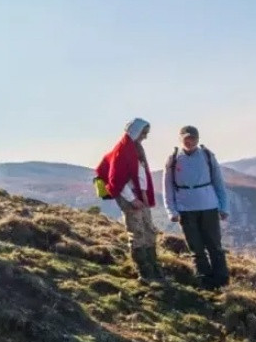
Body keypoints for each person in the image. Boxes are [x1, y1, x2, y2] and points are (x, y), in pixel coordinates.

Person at [94, 118, 161, 281]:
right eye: (144, 133)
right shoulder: (123, 149)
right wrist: (132, 199)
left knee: (148, 230)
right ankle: (145, 273)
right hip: (131, 196)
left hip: (140, 195)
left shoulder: (135, 148)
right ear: (136, 131)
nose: (145, 136)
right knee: (137, 232)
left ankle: (154, 268)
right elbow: (116, 179)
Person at [164, 126, 230, 289]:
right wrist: (171, 210)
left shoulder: (207, 156)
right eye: (187, 138)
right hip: (185, 209)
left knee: (214, 245)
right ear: (181, 139)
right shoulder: (173, 159)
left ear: (198, 139)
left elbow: (218, 182)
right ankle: (204, 281)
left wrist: (224, 207)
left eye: (193, 138)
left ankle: (222, 280)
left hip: (209, 206)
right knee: (196, 247)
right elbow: (168, 187)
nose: (190, 141)